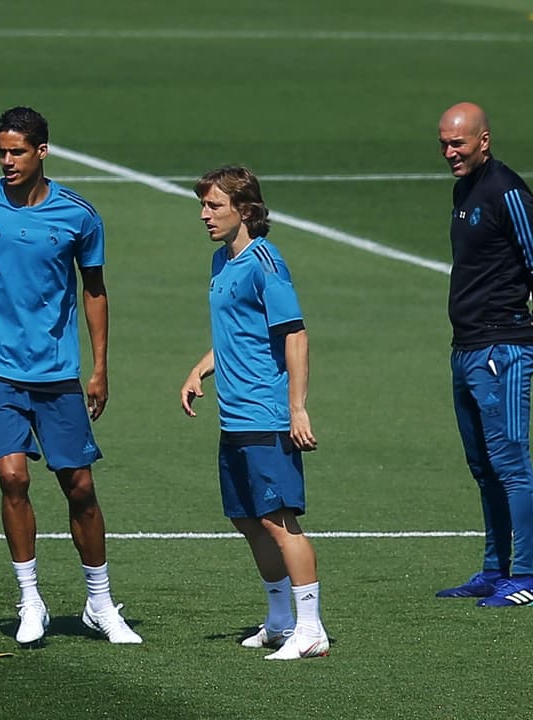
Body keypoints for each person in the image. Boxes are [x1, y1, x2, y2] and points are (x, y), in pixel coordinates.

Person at [0, 106, 141, 646]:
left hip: (57, 373)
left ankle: (99, 602)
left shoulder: (78, 215)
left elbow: (94, 290)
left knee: (80, 487)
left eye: (17, 152)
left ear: (42, 151)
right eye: (1, 151)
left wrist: (100, 367)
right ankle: (30, 599)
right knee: (13, 478)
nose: (7, 161)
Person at [180, 165, 330, 661]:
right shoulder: (221, 262)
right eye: (203, 205)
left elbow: (295, 335)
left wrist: (297, 408)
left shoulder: (265, 263)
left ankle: (310, 629)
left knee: (279, 521)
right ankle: (281, 619)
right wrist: (201, 369)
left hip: (266, 415)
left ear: (244, 209)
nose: (204, 215)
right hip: (235, 416)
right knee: (248, 519)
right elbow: (237, 335)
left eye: (213, 206)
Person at [435, 102, 533, 607]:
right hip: (466, 347)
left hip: (501, 349)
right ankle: (494, 569)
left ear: (483, 141)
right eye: (443, 144)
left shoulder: (508, 192)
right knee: (483, 466)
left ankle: (524, 577)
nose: (449, 152)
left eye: (458, 143)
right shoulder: (464, 189)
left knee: (510, 464)